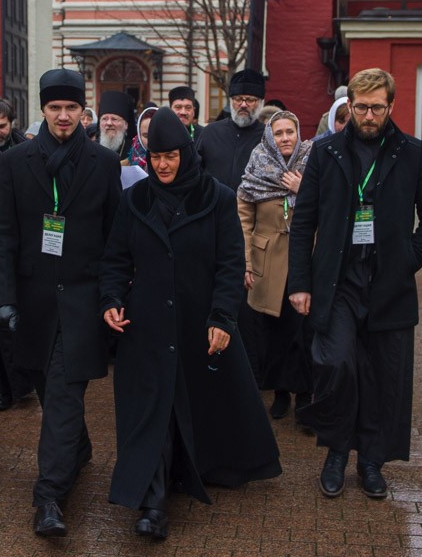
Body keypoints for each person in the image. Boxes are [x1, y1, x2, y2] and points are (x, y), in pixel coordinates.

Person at [100, 108, 281, 539]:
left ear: (185, 153)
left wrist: (222, 316)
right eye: (155, 156)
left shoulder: (217, 197)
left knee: (195, 405)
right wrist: (111, 299)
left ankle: (194, 468)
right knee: (154, 412)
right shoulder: (135, 199)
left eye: (170, 156)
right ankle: (152, 505)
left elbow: (229, 264)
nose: (162, 165)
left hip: (198, 321)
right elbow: (115, 259)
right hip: (146, 325)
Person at [287, 68, 422, 500]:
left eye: (377, 107)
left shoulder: (412, 153)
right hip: (337, 282)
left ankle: (371, 461)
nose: (369, 116)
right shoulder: (326, 152)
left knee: (382, 376)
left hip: (388, 285)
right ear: (349, 106)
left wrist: (409, 259)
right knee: (337, 365)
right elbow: (304, 222)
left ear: (391, 106)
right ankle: (337, 452)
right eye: (361, 107)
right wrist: (300, 282)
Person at [0, 68, 122, 537]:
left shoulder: (103, 163)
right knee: (50, 390)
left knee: (63, 396)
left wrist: (113, 295)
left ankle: (48, 496)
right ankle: (78, 449)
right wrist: (4, 298)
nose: (63, 116)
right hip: (33, 301)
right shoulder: (15, 161)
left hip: (83, 301)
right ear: (42, 109)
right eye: (55, 107)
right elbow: (2, 234)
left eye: (71, 108)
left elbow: (115, 238)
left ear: (84, 111)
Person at [237, 110, 313, 421]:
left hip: (304, 261)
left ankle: (305, 395)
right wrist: (245, 262)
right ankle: (280, 393)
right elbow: (244, 221)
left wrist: (303, 190)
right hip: (266, 263)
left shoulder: (313, 162)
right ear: (270, 136)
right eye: (278, 133)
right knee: (273, 334)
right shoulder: (258, 163)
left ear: (298, 134)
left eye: (289, 132)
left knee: (303, 333)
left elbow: (330, 206)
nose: (284, 138)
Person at [196, 69, 266, 191]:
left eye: (250, 100)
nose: (243, 105)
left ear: (260, 102)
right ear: (231, 101)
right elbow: (195, 172)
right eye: (238, 99)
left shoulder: (267, 137)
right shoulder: (210, 132)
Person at [97, 90, 135, 163]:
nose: (109, 123)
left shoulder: (134, 151)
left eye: (114, 119)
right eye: (104, 119)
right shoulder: (90, 148)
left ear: (126, 124)